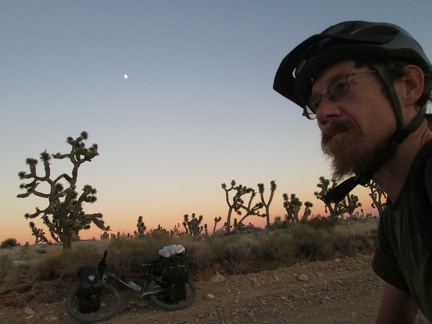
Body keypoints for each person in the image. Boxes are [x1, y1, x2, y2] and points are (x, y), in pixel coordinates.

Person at [273, 21, 432, 323]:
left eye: (340, 88)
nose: (322, 113)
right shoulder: (395, 215)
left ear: (409, 86)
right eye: (315, 103)